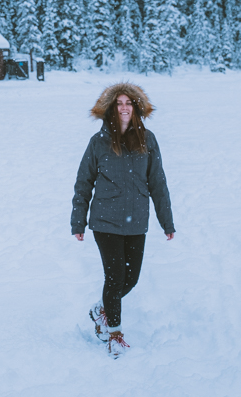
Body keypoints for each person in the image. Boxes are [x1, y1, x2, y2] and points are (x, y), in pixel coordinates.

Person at [71, 82, 175, 357]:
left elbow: (158, 183)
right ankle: (113, 333)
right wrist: (78, 221)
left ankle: (101, 310)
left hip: (136, 220)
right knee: (115, 277)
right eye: (119, 103)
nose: (124, 108)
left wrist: (167, 221)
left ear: (136, 108)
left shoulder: (148, 140)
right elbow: (84, 182)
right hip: (105, 221)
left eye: (129, 103)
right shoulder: (98, 142)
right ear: (111, 109)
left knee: (131, 279)